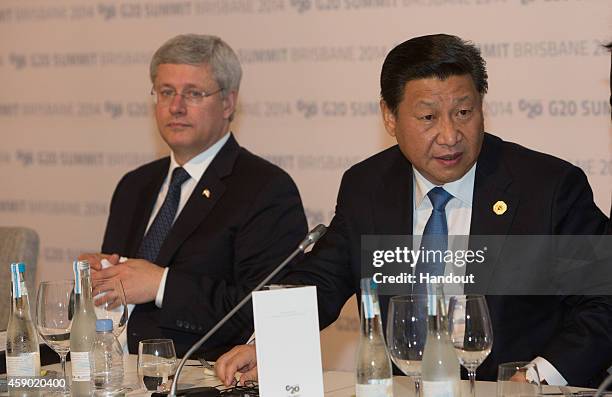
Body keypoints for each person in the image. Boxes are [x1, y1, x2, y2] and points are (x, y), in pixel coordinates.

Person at [215, 34, 612, 387]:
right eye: (427, 117)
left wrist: (537, 377)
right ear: (390, 117)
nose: (450, 135)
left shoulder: (547, 187)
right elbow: (323, 278)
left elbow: (603, 301)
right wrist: (270, 344)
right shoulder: (367, 186)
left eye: (464, 112)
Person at [79, 34, 308, 359]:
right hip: (119, 373)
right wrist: (101, 278)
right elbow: (123, 289)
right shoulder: (134, 185)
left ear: (228, 103)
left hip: (203, 378)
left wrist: (161, 285)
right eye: (166, 92)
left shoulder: (265, 188)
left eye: (193, 93)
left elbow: (266, 312)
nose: (176, 106)